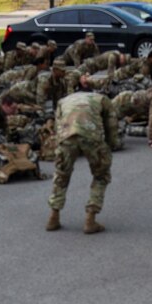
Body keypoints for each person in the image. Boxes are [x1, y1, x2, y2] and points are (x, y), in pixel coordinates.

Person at [47, 87, 121, 234]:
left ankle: (53, 217)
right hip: (91, 136)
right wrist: (111, 145)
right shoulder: (101, 99)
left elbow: (58, 125)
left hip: (66, 137)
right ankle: (90, 219)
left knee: (61, 175)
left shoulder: (64, 100)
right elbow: (112, 124)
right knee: (101, 175)